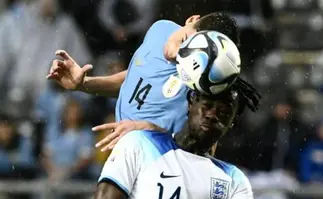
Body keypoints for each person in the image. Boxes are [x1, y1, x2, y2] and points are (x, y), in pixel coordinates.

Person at [90, 87, 323, 199]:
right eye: (207, 105)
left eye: (223, 112)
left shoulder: (231, 178)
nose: (212, 115)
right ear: (191, 102)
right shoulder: (140, 142)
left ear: (230, 124)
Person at [46, 12, 259, 152]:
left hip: (158, 175)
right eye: (186, 41)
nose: (178, 53)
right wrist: (84, 84)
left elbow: (202, 154)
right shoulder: (160, 29)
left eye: (192, 58)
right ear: (191, 20)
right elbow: (134, 77)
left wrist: (149, 131)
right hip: (120, 157)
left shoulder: (204, 90)